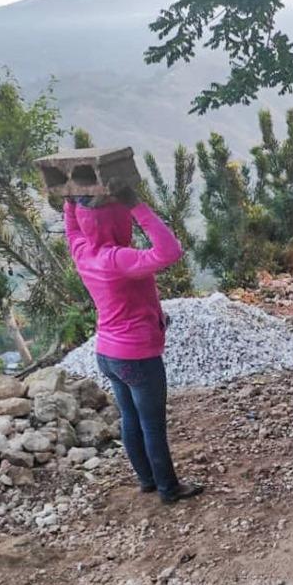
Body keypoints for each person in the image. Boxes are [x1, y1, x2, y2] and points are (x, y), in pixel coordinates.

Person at [63, 179, 203, 504]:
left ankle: (147, 481)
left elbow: (72, 231)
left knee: (130, 417)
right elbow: (170, 250)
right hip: (137, 355)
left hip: (108, 353)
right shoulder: (118, 259)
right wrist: (136, 205)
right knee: (152, 425)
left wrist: (71, 203)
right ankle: (169, 488)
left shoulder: (85, 253)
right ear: (118, 220)